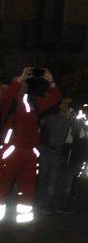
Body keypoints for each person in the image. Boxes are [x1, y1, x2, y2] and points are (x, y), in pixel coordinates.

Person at [0, 67, 63, 224]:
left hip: (30, 154)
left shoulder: (34, 103)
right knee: (2, 186)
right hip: (10, 153)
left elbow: (55, 98)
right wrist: (18, 81)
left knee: (28, 188)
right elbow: (4, 98)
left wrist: (51, 81)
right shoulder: (8, 102)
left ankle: (23, 222)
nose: (23, 85)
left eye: (25, 83)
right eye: (19, 83)